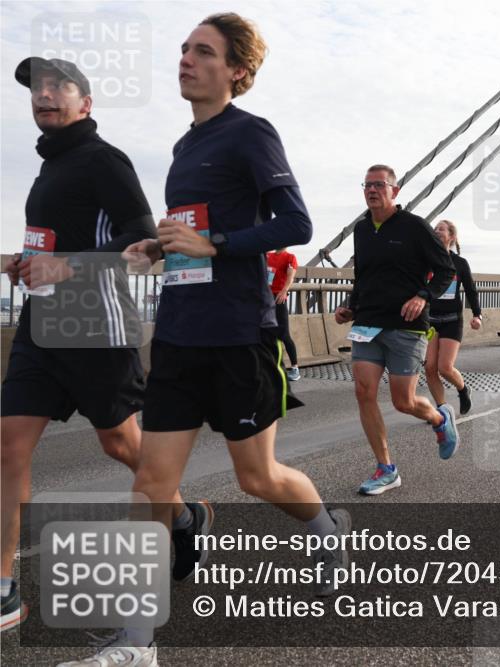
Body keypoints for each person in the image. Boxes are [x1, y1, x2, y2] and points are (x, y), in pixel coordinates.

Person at [63, 14, 351, 665]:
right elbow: (194, 235)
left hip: (238, 334)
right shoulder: (182, 149)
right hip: (179, 337)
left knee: (257, 476)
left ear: (238, 71)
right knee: (153, 484)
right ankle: (138, 643)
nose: (186, 59)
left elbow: (296, 223)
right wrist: (159, 249)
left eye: (203, 51)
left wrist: (215, 242)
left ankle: (328, 531)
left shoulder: (251, 134)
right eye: (185, 50)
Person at [0, 56, 198, 634]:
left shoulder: (104, 160)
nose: (45, 95)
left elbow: (143, 243)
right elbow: (59, 241)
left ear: (86, 104)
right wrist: (29, 262)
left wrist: (68, 268)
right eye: (37, 88)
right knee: (9, 444)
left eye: (59, 86)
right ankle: (5, 587)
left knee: (119, 443)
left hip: (96, 324)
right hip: (42, 329)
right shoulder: (47, 169)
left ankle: (182, 516)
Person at [334, 164, 459, 495]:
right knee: (364, 392)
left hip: (406, 326)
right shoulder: (362, 230)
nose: (372, 190)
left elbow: (445, 271)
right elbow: (364, 277)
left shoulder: (415, 227)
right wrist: (351, 307)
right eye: (367, 185)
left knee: (403, 402)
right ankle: (386, 468)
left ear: (395, 190)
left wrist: (422, 296)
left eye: (379, 185)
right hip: (368, 323)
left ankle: (439, 419)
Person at [425, 220, 482, 414]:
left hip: (452, 320)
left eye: (441, 229)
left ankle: (463, 389)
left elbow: (471, 291)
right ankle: (442, 409)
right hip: (431, 320)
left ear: (451, 237)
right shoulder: (426, 260)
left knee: (444, 367)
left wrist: (477, 315)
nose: (437, 231)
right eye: (435, 229)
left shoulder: (460, 263)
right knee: (430, 367)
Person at [266, 247, 301, 380]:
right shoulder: (267, 255)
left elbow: (291, 275)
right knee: (266, 335)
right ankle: (271, 366)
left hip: (278, 299)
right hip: (265, 299)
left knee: (284, 335)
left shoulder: (289, 257)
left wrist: (284, 290)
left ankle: (295, 369)